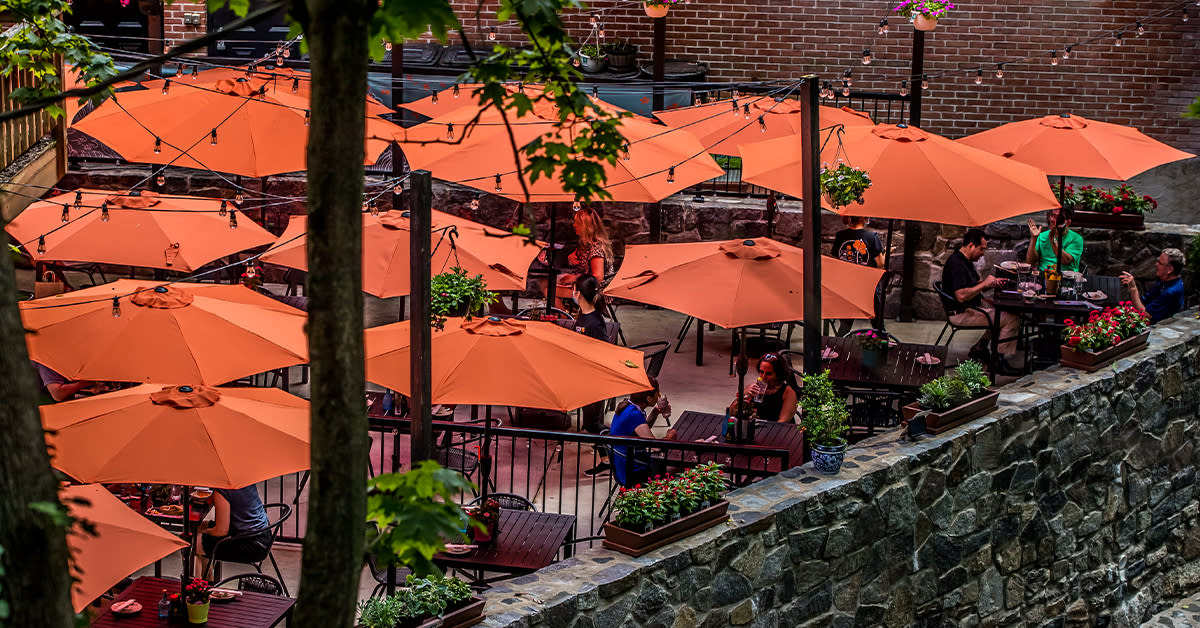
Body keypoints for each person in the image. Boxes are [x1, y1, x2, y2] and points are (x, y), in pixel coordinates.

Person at [940, 228, 1022, 376]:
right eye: (981, 249)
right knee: (1011, 318)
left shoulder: (966, 260)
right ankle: (998, 361)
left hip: (971, 306)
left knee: (1002, 310)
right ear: (971, 245)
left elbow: (974, 283)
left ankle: (980, 348)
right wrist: (984, 285)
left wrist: (992, 282)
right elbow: (961, 296)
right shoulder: (956, 264)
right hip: (961, 313)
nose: (983, 253)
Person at [608, 377, 673, 487]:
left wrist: (655, 412)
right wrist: (670, 435)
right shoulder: (634, 415)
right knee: (678, 468)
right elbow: (655, 446)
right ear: (649, 398)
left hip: (622, 466)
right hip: (633, 471)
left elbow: (641, 429)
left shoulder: (627, 406)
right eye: (658, 393)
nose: (659, 396)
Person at [196, 485, 272, 578]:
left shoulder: (222, 491)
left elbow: (221, 531)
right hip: (264, 535)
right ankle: (207, 584)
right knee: (199, 528)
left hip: (252, 545)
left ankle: (194, 588)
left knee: (194, 543)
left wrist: (205, 531)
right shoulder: (244, 481)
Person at [830, 216, 886, 335]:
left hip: (846, 286)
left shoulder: (840, 236)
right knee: (877, 323)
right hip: (867, 286)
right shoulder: (872, 237)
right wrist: (886, 253)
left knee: (845, 325)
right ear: (864, 218)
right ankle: (880, 346)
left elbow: (836, 259)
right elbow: (880, 263)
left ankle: (839, 347)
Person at [729, 353, 799, 423]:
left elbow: (782, 422)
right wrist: (743, 395)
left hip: (776, 430)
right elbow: (731, 413)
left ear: (778, 375)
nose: (763, 377)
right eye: (761, 372)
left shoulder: (788, 393)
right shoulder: (753, 387)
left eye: (768, 374)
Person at [1121, 248, 1186, 323]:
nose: (1156, 264)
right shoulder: (1166, 282)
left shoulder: (1171, 291)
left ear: (1170, 269)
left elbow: (1146, 315)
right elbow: (1144, 300)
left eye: (1160, 263)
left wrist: (1133, 289)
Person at [559, 208, 614, 288]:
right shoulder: (585, 244)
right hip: (584, 287)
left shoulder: (595, 247)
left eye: (577, 223)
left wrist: (574, 278)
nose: (574, 225)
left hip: (595, 292)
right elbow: (582, 266)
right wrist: (571, 259)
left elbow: (598, 277)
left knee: (549, 291)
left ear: (586, 227)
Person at [1025, 205, 1083, 273]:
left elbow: (1064, 260)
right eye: (1052, 215)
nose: (1052, 219)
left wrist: (1053, 239)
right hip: (1043, 276)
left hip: (1065, 278)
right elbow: (1030, 262)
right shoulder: (1042, 236)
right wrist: (1034, 238)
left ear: (1067, 222)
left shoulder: (1076, 239)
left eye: (1057, 218)